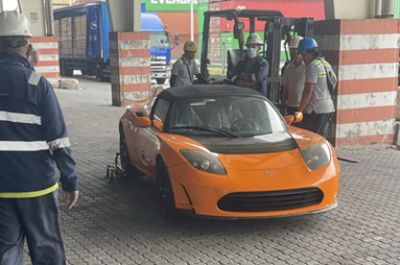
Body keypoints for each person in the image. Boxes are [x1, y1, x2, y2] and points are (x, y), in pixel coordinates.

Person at [0, 11, 79, 265]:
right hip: (37, 187)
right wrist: (70, 180)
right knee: (47, 251)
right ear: (28, 46)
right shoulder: (37, 84)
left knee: (6, 253)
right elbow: (58, 139)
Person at [297, 37, 336, 138]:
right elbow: (334, 82)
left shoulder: (312, 66)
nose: (303, 58)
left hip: (315, 110)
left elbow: (308, 91)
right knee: (322, 139)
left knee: (312, 139)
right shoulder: (326, 64)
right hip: (328, 108)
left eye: (303, 55)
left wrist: (300, 110)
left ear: (308, 53)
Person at [281, 36, 305, 115]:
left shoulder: (307, 67)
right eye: (293, 50)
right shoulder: (288, 68)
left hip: (303, 106)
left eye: (297, 50)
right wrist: (283, 102)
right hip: (290, 105)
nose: (295, 52)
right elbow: (285, 87)